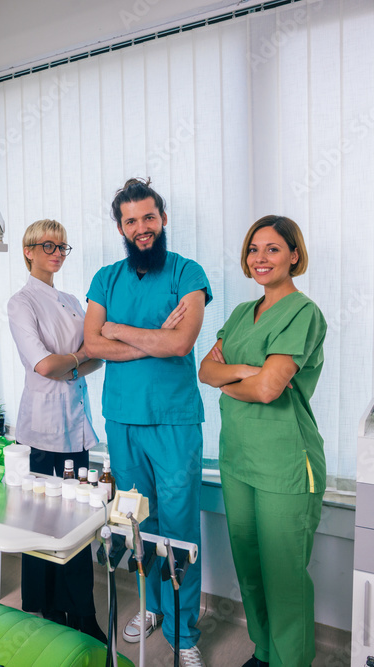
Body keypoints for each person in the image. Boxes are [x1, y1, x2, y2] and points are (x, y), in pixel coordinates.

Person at [84, 178, 210, 667]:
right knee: (137, 523)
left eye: (149, 217)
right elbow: (92, 345)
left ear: (162, 219)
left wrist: (116, 329)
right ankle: (153, 608)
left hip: (174, 421)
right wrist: (147, 337)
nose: (142, 228)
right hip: (122, 419)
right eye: (131, 220)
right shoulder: (105, 278)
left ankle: (183, 631)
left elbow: (180, 345)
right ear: (120, 226)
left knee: (179, 528)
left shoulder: (187, 273)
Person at [197, 215, 327, 667]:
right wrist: (243, 373)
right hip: (238, 459)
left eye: (272, 249)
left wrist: (229, 378)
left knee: (283, 575)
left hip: (285, 461)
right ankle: (265, 651)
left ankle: (290, 661)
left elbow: (270, 389)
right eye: (254, 249)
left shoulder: (303, 313)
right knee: (250, 570)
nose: (260, 258)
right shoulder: (238, 314)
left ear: (294, 255)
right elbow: (204, 370)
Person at [7, 218, 106, 642]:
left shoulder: (70, 299)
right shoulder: (21, 303)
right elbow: (43, 364)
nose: (57, 252)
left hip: (77, 431)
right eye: (48, 245)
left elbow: (97, 356)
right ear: (28, 250)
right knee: (42, 527)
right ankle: (46, 613)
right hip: (42, 433)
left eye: (63, 247)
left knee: (77, 526)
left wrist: (73, 361)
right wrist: (77, 358)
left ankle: (83, 615)